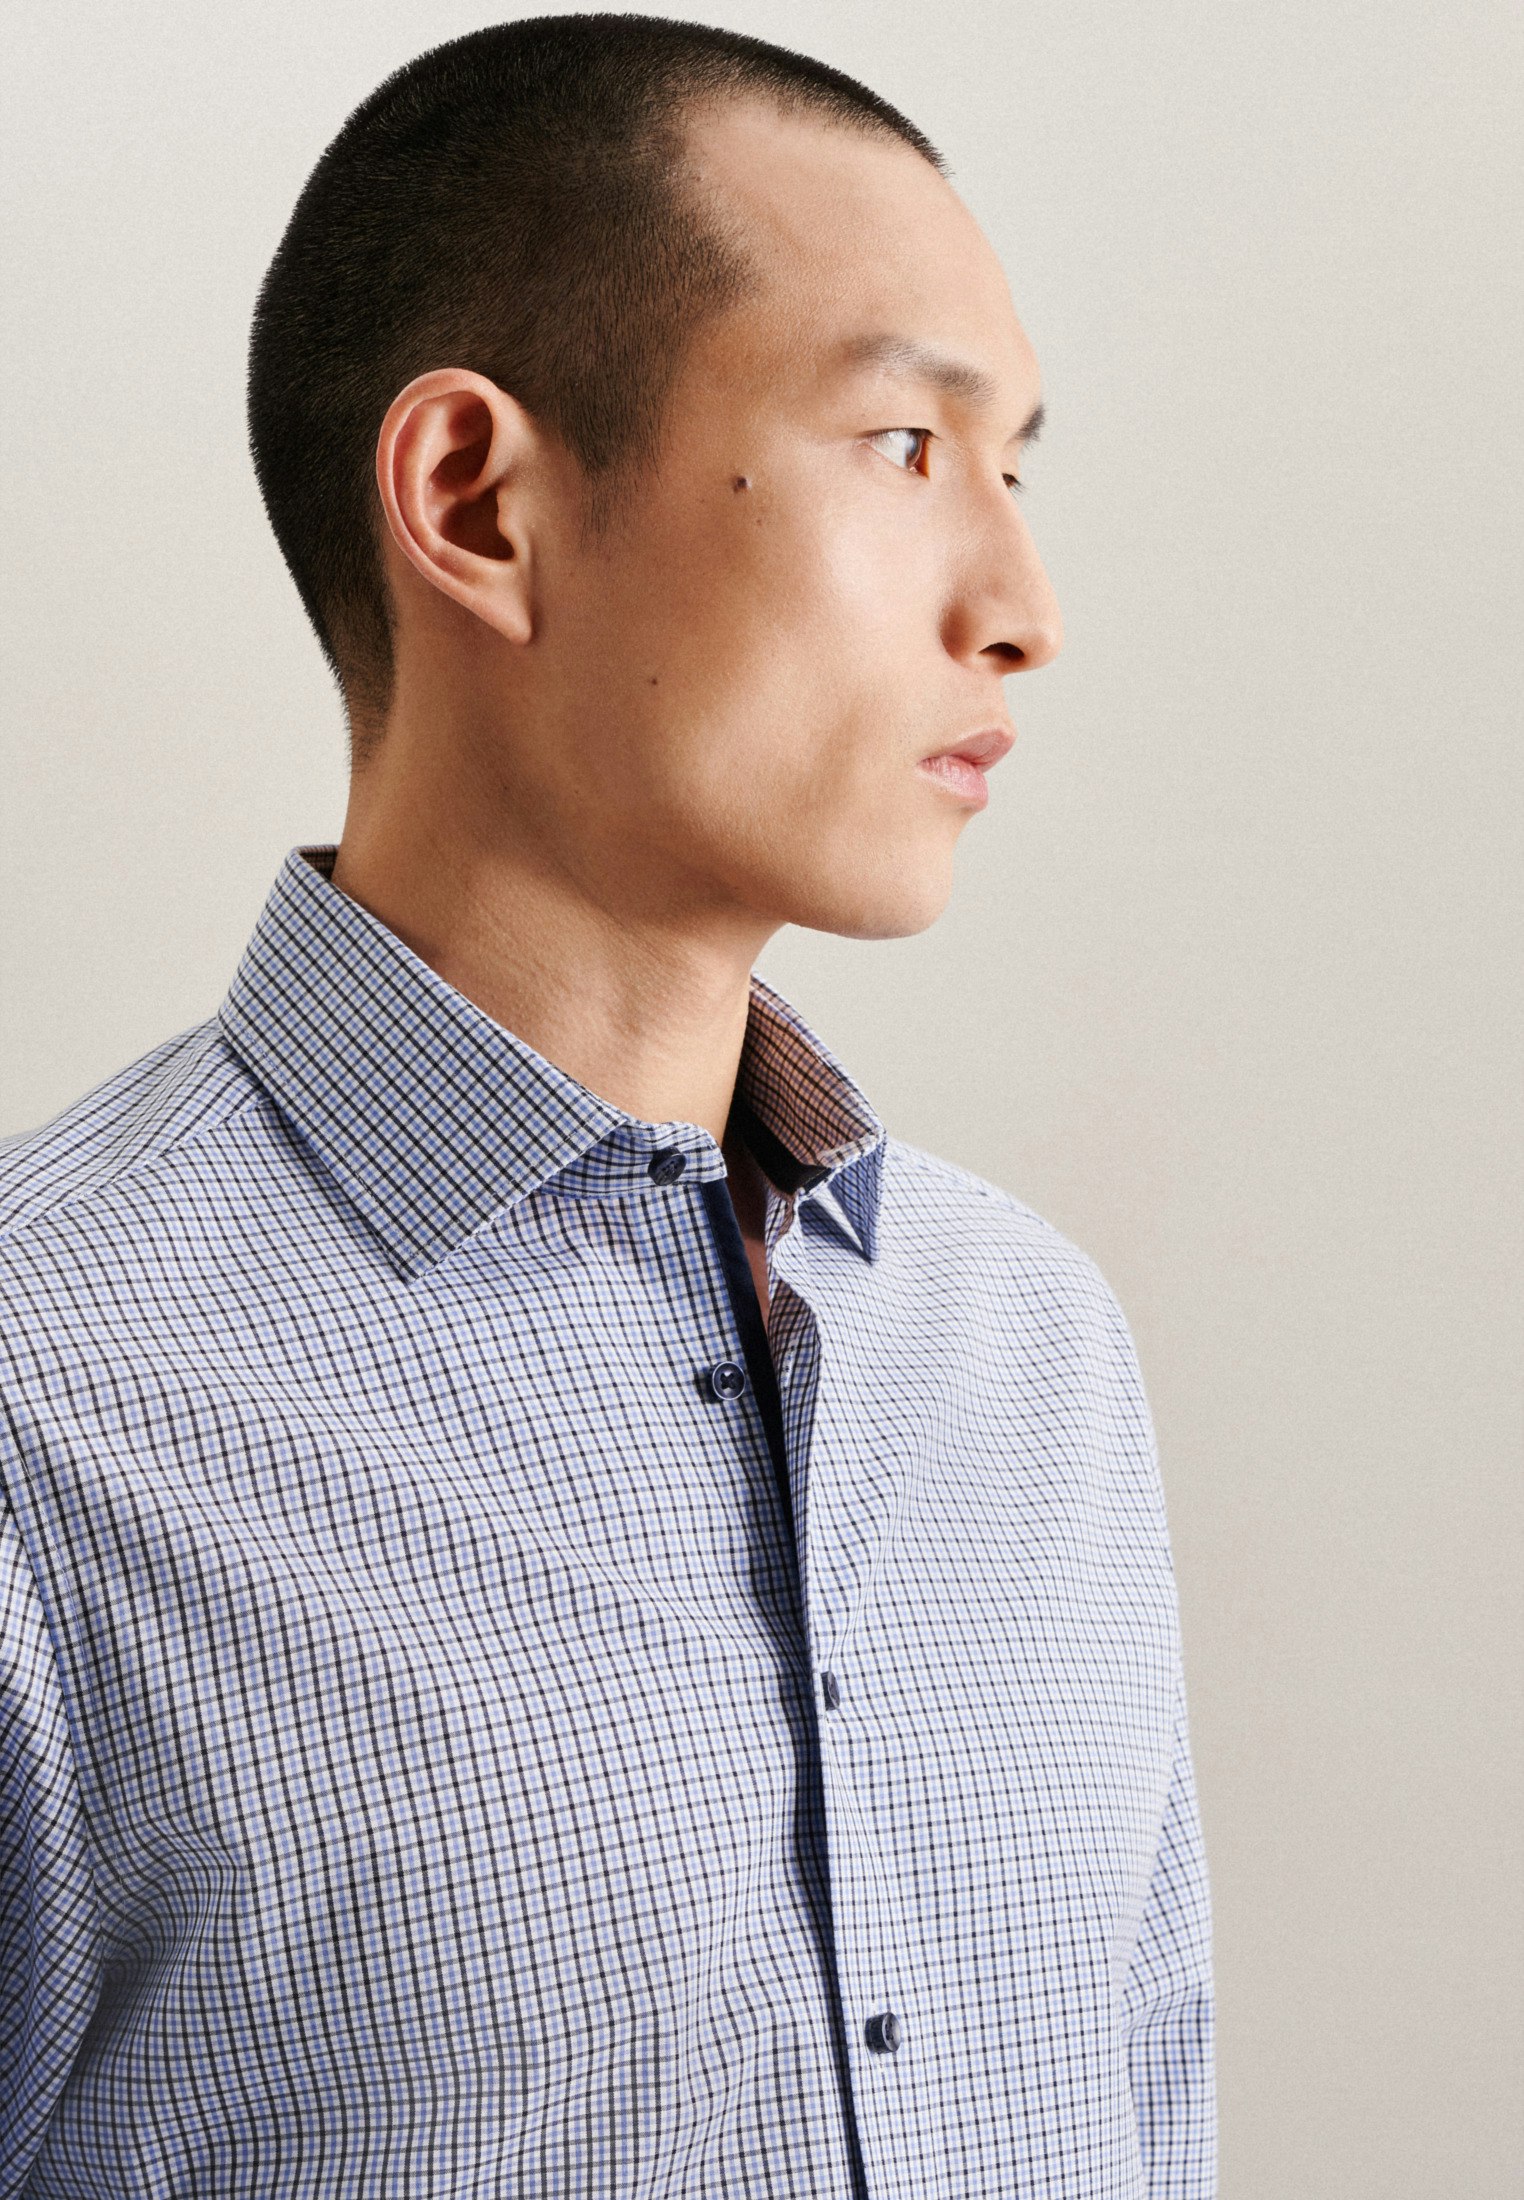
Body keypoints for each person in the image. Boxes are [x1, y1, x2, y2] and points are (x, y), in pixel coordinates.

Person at [0, 14, 1213, 2196]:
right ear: (479, 500)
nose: (1024, 611)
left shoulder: (1030, 1354)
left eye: (1016, 467)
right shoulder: (36, 1399)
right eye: (904, 446)